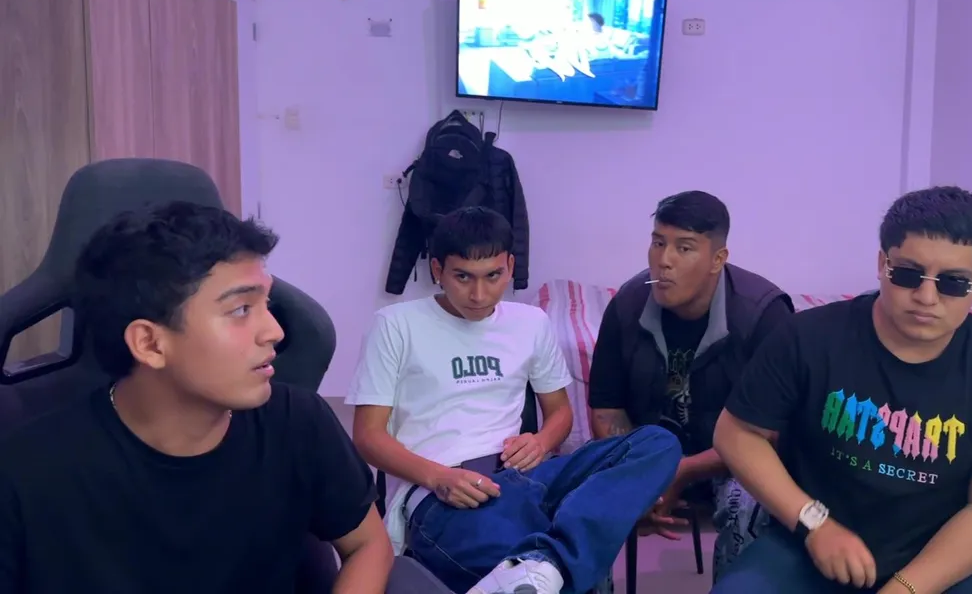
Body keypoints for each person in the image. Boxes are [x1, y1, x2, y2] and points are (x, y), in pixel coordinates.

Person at [0, 202, 392, 593]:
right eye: (241, 309)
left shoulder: (298, 422)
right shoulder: (27, 473)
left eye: (267, 305)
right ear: (150, 343)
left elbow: (368, 545)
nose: (274, 331)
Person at [711, 186, 972, 594]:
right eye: (907, 274)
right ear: (882, 263)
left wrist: (907, 587)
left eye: (953, 283)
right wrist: (815, 523)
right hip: (806, 544)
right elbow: (737, 433)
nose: (926, 297)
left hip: (936, 561)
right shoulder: (808, 337)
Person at [348, 206, 682, 594]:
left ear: (509, 266)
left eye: (493, 276)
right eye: (462, 277)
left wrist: (541, 441)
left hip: (528, 475)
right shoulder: (395, 325)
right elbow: (368, 436)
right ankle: (550, 561)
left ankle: (544, 562)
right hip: (447, 491)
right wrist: (438, 477)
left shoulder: (530, 322)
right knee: (534, 564)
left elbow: (560, 413)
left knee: (657, 443)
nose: (479, 294)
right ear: (438, 270)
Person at [587, 191, 794, 581]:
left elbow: (770, 430)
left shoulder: (763, 314)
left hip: (731, 459)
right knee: (581, 495)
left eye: (684, 248)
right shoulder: (628, 304)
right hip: (647, 454)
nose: (664, 260)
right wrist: (640, 472)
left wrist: (682, 471)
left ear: (718, 259)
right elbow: (607, 408)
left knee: (746, 504)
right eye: (658, 242)